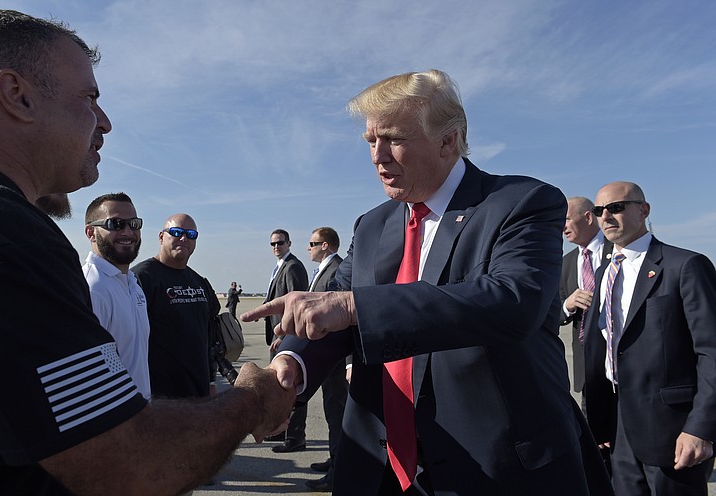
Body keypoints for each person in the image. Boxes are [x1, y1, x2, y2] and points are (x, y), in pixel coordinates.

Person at [0, 10, 294, 494]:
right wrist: (249, 401)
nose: (105, 122)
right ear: (17, 95)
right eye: (89, 99)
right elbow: (126, 462)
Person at [244, 70, 612, 495]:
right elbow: (331, 307)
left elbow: (514, 302)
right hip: (379, 470)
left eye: (395, 139)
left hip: (496, 471)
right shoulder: (371, 226)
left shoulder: (522, 203)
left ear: (448, 140)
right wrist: (292, 361)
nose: (378, 156)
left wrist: (353, 307)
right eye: (370, 141)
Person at [583, 181, 716, 496]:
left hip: (673, 432)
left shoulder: (684, 265)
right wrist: (599, 422)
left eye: (616, 207)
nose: (606, 217)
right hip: (618, 430)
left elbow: (711, 353)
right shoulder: (603, 274)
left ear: (643, 210)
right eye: (599, 211)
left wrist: (700, 429)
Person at [133, 213, 220, 399]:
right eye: (176, 232)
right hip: (160, 399)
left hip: (199, 394)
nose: (184, 238)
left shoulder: (199, 282)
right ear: (161, 236)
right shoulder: (140, 279)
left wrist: (211, 380)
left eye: (191, 235)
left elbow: (209, 336)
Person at [82, 192, 151, 399]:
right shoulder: (93, 287)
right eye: (116, 224)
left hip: (140, 412)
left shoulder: (132, 283)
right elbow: (89, 372)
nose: (128, 232)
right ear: (91, 232)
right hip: (117, 419)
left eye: (134, 224)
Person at [304, 227, 350, 492]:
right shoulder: (324, 269)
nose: (308, 247)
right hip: (325, 358)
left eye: (312, 243)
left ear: (326, 245)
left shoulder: (338, 270)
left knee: (337, 411)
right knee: (332, 411)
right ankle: (335, 459)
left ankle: (338, 471)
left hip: (335, 359)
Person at [560, 197, 613, 401]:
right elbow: (551, 311)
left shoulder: (619, 250)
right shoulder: (566, 263)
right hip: (588, 372)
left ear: (588, 218)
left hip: (624, 365)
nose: (562, 228)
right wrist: (568, 305)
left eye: (566, 219)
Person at [263, 228, 309, 451]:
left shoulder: (293, 267)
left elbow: (297, 305)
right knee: (280, 389)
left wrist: (285, 336)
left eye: (280, 243)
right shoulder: (280, 266)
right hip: (277, 337)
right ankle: (281, 432)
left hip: (286, 339)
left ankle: (295, 437)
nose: (276, 247)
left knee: (292, 388)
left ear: (289, 243)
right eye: (272, 244)